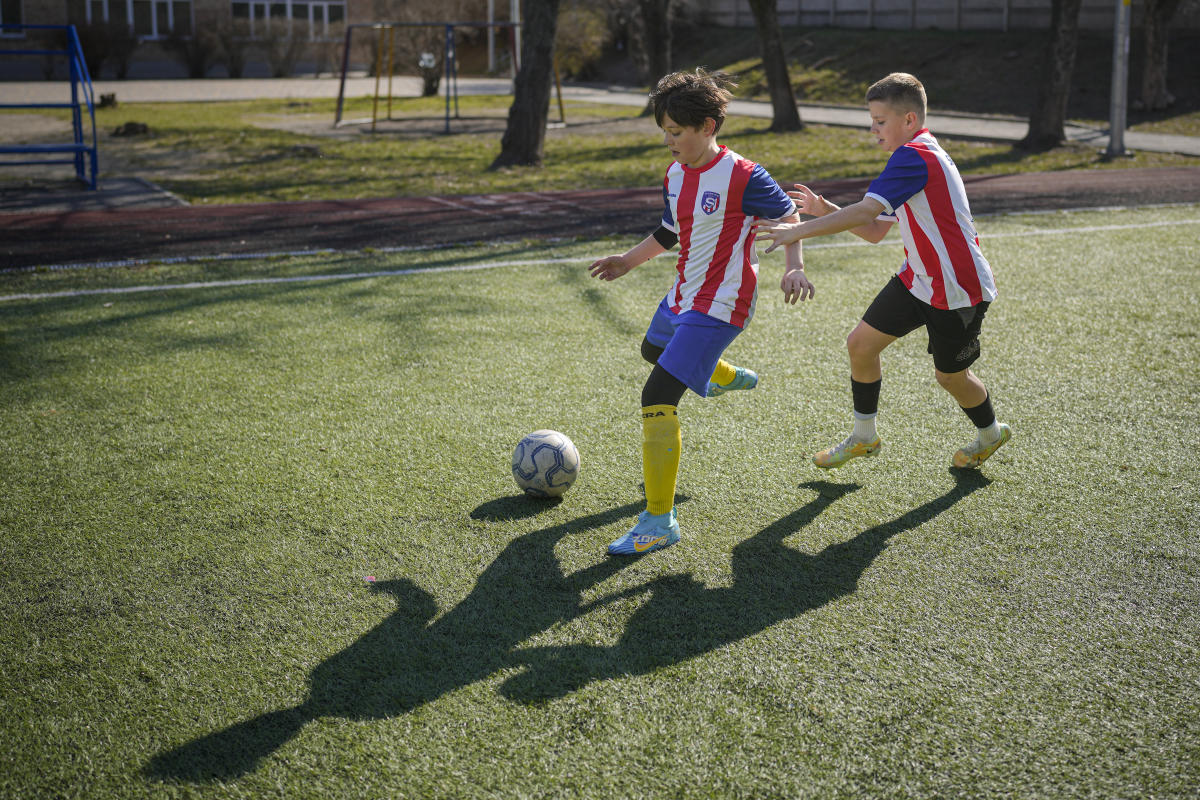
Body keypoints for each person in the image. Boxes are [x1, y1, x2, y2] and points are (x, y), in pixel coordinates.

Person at [589, 68, 814, 556]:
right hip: (683, 292)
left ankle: (658, 522)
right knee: (653, 349)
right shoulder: (674, 174)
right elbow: (670, 231)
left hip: (721, 303)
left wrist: (793, 267)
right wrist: (627, 261)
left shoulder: (744, 176)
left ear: (708, 126)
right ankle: (720, 376)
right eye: (664, 132)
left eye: (676, 132)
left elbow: (789, 216)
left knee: (658, 395)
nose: (669, 141)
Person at [754, 72, 1010, 471]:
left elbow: (866, 213)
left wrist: (800, 229)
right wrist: (825, 211)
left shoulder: (916, 157)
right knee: (861, 345)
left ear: (909, 120)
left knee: (950, 378)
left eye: (880, 121)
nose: (873, 130)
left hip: (958, 290)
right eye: (871, 121)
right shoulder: (912, 157)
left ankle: (991, 433)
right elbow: (874, 231)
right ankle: (864, 436)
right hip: (917, 280)